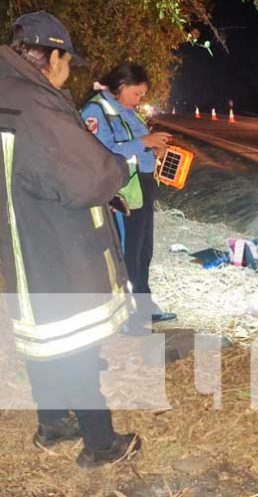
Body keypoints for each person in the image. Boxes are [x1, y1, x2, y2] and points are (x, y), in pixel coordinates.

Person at [0, 11, 141, 468]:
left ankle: (53, 421)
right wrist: (120, 171)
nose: (67, 73)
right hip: (51, 244)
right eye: (66, 61)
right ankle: (101, 444)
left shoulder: (6, 93)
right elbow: (86, 177)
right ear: (52, 55)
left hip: (16, 246)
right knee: (74, 340)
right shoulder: (36, 105)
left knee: (41, 336)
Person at [81, 62, 176, 329]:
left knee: (143, 250)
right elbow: (99, 152)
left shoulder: (129, 112)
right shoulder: (96, 110)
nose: (139, 100)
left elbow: (136, 147)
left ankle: (144, 306)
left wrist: (155, 150)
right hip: (121, 192)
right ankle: (126, 316)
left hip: (142, 186)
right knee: (126, 253)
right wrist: (144, 143)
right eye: (137, 94)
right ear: (122, 86)